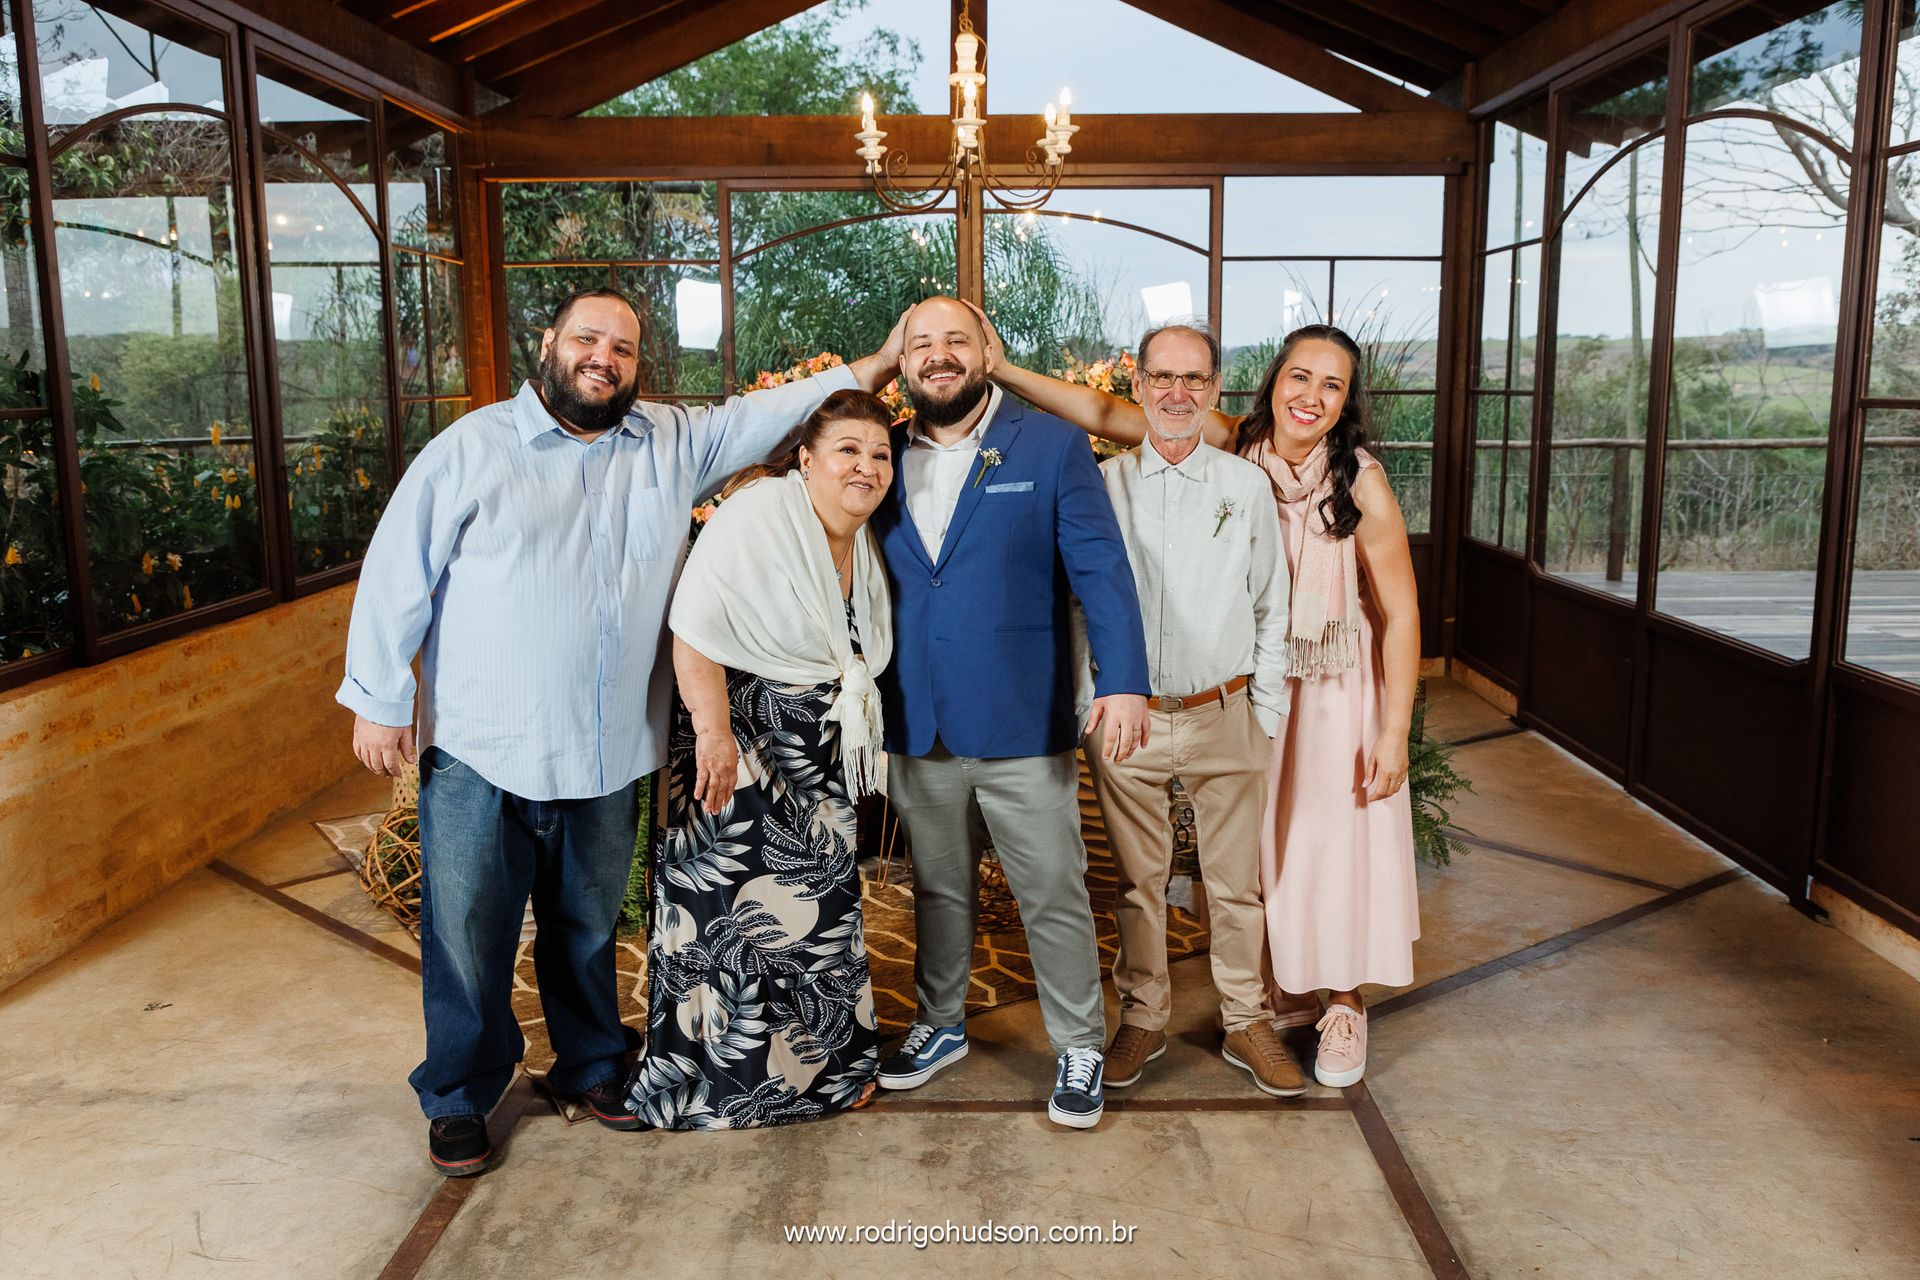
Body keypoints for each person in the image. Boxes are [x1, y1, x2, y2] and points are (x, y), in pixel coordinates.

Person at [339, 287, 905, 1175]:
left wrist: (873, 367)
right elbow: (396, 568)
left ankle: (592, 1066)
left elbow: (768, 414)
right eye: (589, 339)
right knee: (468, 932)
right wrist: (376, 695)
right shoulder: (472, 449)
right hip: (485, 748)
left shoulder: (670, 445)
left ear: (640, 367)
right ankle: (461, 1092)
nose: (605, 358)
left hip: (607, 750)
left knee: (588, 925)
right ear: (550, 343)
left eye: (625, 348)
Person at [978, 314, 1420, 1090]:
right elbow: (1113, 418)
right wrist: (1004, 369)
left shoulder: (1353, 478)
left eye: (1332, 385)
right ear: (1270, 384)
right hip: (1190, 697)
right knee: (1231, 865)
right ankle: (1228, 1005)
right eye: (1299, 376)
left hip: (1314, 691)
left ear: (1346, 402)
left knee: (1310, 853)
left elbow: (1393, 612)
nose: (1311, 396)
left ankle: (1329, 1004)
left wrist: (1386, 732)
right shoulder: (1237, 444)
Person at [868, 296, 1151, 1130]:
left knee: (1052, 890)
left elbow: (1102, 571)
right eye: (920, 343)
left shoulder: (1053, 444)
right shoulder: (874, 454)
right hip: (915, 714)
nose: (940, 355)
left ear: (987, 352)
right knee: (937, 886)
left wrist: (1123, 679)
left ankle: (1078, 1044)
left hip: (1022, 713)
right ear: (903, 359)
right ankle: (940, 1023)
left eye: (957, 339)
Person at [624, 389, 896, 1130]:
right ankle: (718, 1086)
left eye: (879, 454)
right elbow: (695, 628)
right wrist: (712, 732)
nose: (866, 467)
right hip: (734, 748)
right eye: (848, 450)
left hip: (816, 765)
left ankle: (823, 1076)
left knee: (820, 915)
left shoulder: (858, 543)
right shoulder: (757, 516)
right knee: (728, 924)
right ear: (805, 459)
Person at [1074, 320, 1303, 1098]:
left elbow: (1274, 606)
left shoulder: (1245, 488)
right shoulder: (1103, 488)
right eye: (1162, 378)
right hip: (1129, 722)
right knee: (1139, 885)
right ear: (1136, 387)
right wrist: (1089, 702)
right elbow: (1075, 606)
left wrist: (1264, 710)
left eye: (1194, 380)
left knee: (1237, 886)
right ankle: (1143, 1016)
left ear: (1213, 392)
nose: (1177, 394)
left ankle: (1246, 1020)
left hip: (1227, 712)